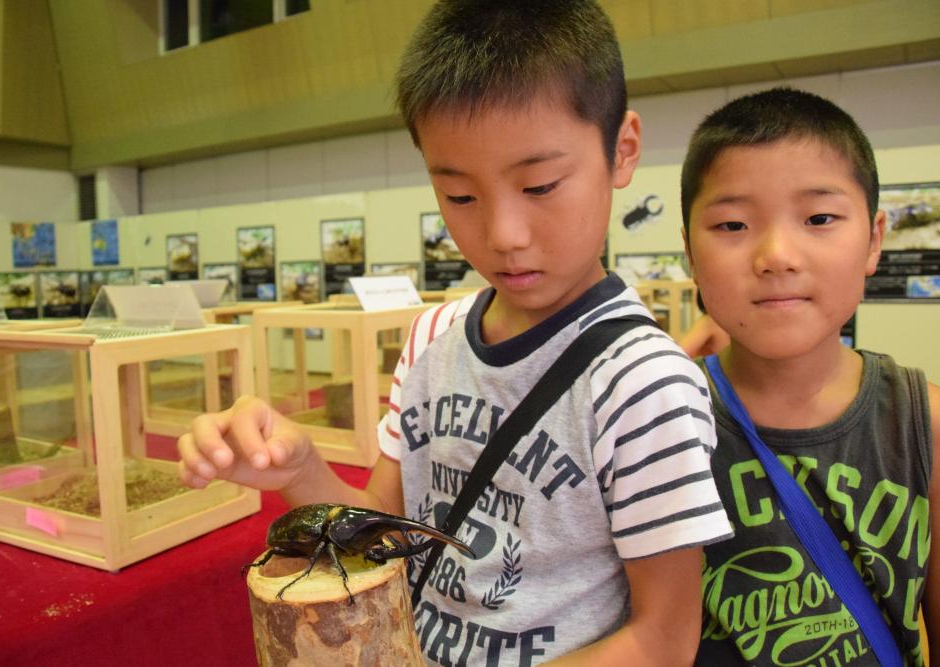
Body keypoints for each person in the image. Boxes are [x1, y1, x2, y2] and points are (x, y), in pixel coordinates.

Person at [179, 1, 733, 664]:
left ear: (622, 149)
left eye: (540, 184)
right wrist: (299, 467)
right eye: (461, 196)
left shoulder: (643, 383)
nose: (504, 235)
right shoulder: (433, 338)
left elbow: (664, 640)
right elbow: (377, 535)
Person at [679, 87, 938, 665]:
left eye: (819, 218)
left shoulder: (925, 423)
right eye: (731, 225)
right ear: (689, 253)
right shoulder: (661, 419)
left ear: (874, 239)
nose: (776, 255)